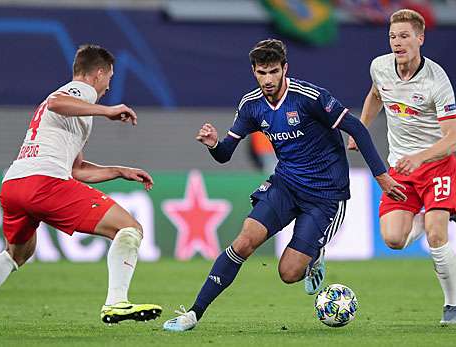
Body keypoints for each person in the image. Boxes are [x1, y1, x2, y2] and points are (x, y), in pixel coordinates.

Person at [162, 38, 407, 332]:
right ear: (254, 71)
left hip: (325, 195)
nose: (268, 79)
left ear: (284, 69)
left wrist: (381, 176)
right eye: (262, 72)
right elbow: (226, 153)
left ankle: (314, 256)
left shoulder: (309, 97)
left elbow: (354, 127)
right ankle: (193, 314)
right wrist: (214, 145)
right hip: (286, 184)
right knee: (243, 242)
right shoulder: (251, 105)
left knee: (289, 273)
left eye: (274, 71)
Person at [0, 44, 162, 335]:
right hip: (44, 182)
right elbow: (57, 102)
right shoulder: (80, 92)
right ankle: (116, 302)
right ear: (99, 73)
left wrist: (119, 171)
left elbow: (77, 169)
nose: (109, 86)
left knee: (16, 254)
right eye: (110, 78)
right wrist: (107, 111)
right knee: (128, 229)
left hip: (15, 183)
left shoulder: (78, 110)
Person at [347, 9, 456, 325]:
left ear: (420, 38)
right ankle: (450, 210)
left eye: (404, 36)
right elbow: (376, 94)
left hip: (435, 166)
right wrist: (360, 128)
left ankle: (451, 306)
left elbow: (454, 139)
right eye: (393, 36)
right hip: (400, 169)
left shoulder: (436, 80)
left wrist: (420, 157)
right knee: (394, 240)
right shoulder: (380, 67)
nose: (397, 42)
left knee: (435, 233)